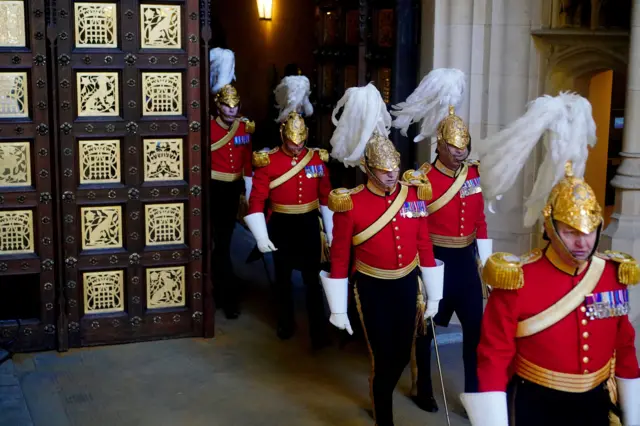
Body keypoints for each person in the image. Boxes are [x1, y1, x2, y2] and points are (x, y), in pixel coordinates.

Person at [459, 92, 640, 426]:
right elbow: (493, 355)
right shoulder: (518, 278)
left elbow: (624, 348)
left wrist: (633, 415)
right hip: (537, 402)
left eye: (589, 230)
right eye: (571, 231)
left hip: (596, 402)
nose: (583, 241)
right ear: (550, 227)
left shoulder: (612, 274)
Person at [320, 83, 445, 426]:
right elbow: (341, 256)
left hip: (407, 284)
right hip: (372, 288)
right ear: (369, 168)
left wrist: (434, 294)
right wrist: (338, 306)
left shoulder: (414, 195)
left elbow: (424, 245)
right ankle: (384, 417)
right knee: (382, 354)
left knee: (403, 355)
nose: (392, 174)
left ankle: (382, 393)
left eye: (395, 168)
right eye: (385, 170)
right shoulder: (351, 203)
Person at [391, 68, 493, 410]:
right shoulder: (422, 179)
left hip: (465, 264)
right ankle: (423, 389)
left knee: (476, 336)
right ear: (440, 144)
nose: (461, 153)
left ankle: (476, 396)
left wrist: (487, 264)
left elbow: (479, 219)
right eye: (454, 147)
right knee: (424, 332)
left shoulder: (474, 172)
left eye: (465, 147)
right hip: (433, 261)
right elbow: (412, 226)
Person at [244, 109, 334, 350]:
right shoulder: (268, 161)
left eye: (301, 143)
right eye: (291, 143)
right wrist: (261, 235)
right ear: (283, 137)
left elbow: (326, 198)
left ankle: (319, 330)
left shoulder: (316, 159)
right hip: (281, 224)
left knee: (313, 280)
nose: (296, 148)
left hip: (309, 224)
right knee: (282, 279)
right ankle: (285, 322)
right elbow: (256, 200)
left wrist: (332, 232)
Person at [208, 47, 255, 319]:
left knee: (224, 242)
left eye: (235, 105)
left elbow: (248, 164)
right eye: (227, 105)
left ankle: (226, 292)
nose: (232, 109)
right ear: (218, 104)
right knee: (217, 242)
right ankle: (221, 291)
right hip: (213, 190)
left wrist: (249, 196)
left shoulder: (244, 128)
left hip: (233, 191)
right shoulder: (208, 128)